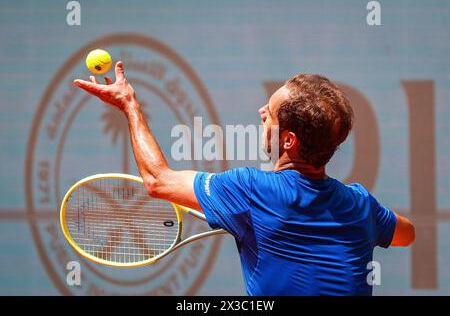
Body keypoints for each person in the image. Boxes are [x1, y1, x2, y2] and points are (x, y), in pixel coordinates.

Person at [74, 61, 415, 296]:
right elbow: (407, 234)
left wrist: (129, 104)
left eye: (271, 110)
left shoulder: (252, 190)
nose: (261, 112)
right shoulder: (360, 205)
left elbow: (157, 180)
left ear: (288, 141)